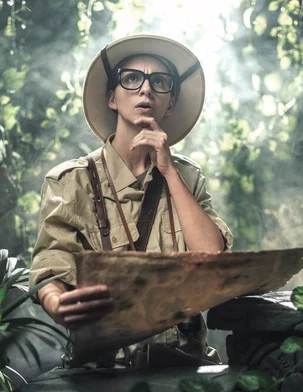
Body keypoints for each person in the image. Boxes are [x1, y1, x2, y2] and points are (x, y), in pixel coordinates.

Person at [29, 34, 233, 368]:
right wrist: (56, 303)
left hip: (184, 367)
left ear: (170, 103)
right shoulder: (71, 182)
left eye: (160, 82)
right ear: (112, 97)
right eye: (132, 78)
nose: (146, 89)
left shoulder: (188, 178)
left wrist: (167, 170)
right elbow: (51, 264)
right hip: (103, 373)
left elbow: (212, 257)